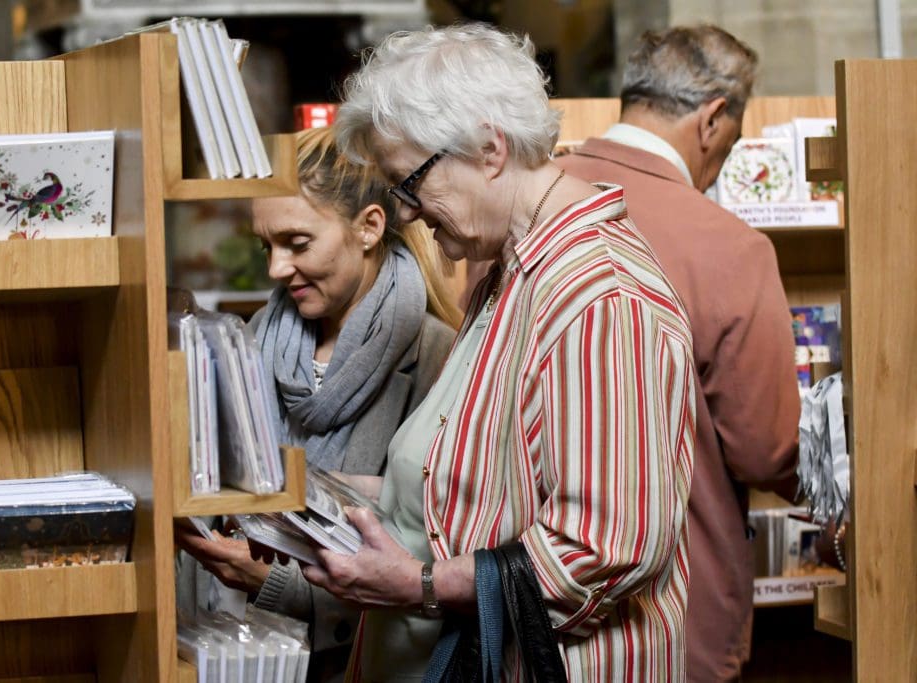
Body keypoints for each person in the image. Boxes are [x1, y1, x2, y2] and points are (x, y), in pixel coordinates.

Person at [299, 23, 698, 681]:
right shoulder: (508, 272)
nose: (405, 213)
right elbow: (472, 485)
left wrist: (419, 584)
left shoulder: (598, 295)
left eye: (409, 183)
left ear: (489, 149)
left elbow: (603, 549)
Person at [555, 25, 801, 682]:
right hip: (670, 615)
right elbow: (765, 449)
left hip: (531, 602)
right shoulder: (728, 247)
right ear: (714, 119)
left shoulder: (531, 203)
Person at [174, 125, 460, 681]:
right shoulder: (251, 335)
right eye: (267, 246)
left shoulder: (437, 356)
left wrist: (278, 585)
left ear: (369, 229)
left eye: (297, 243)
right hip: (236, 649)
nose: (275, 270)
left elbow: (435, 566)